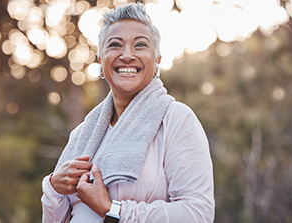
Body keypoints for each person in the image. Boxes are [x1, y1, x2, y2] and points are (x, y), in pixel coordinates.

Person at [41, 3, 214, 223]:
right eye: (115, 45)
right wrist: (54, 187)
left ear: (157, 60)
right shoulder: (81, 135)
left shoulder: (176, 120)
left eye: (140, 45)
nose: (127, 55)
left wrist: (112, 209)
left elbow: (197, 215)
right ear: (101, 62)